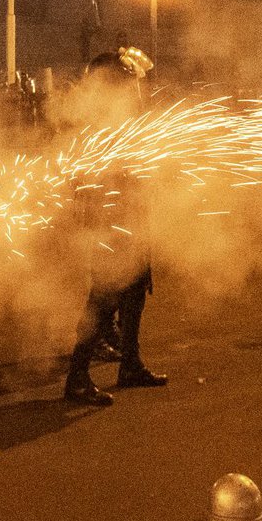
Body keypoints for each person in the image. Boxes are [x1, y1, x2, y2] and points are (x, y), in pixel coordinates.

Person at [64, 47, 166, 407]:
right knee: (103, 300)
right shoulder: (96, 123)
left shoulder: (121, 119)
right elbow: (91, 177)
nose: (133, 91)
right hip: (110, 223)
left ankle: (131, 364)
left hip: (130, 217)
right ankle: (77, 378)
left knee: (136, 291)